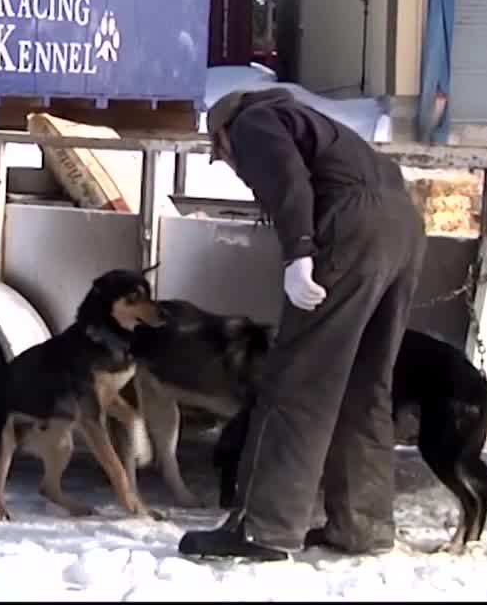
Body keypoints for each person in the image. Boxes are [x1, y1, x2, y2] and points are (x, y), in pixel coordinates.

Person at [178, 87, 427, 562]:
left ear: (225, 133)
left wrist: (299, 251)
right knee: (365, 383)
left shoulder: (254, 122)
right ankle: (363, 526)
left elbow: (289, 180)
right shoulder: (321, 127)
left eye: (221, 155)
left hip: (350, 229)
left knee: (298, 382)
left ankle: (264, 530)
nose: (230, 165)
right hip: (404, 228)